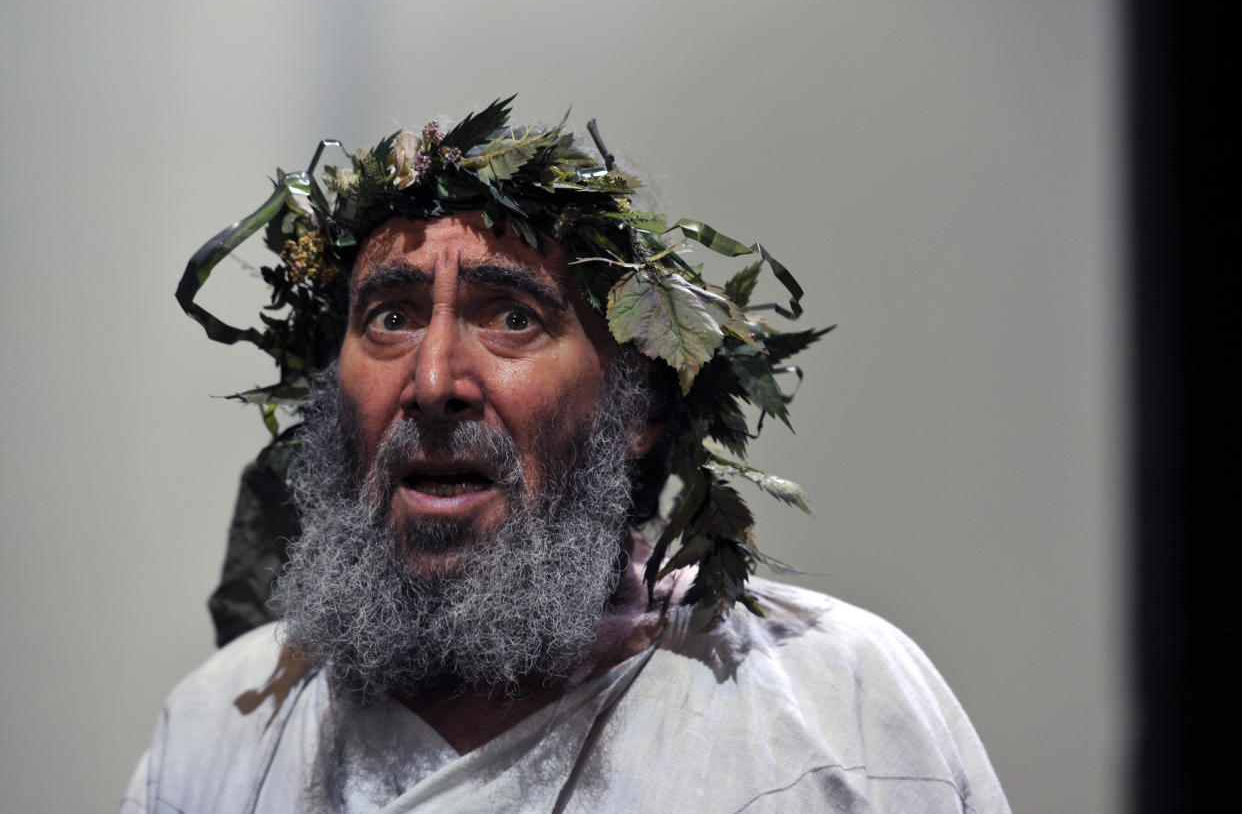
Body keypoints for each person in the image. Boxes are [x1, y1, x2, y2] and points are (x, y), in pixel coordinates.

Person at [121, 97, 1010, 813]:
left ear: (639, 409)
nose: (433, 380)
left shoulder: (838, 709)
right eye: (389, 316)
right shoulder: (218, 732)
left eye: (513, 316)